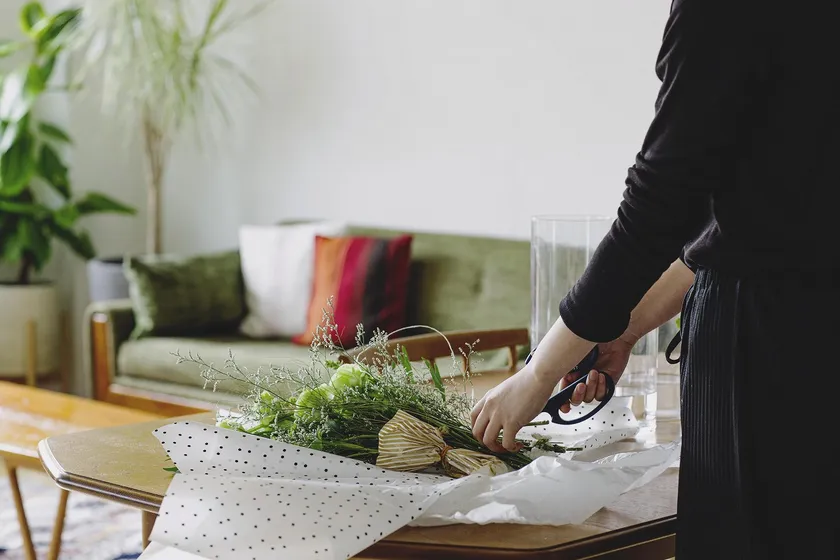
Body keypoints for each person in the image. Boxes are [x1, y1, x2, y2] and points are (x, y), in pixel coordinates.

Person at [470, 0, 839, 558]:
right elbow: (753, 219)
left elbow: (661, 202)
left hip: (772, 345)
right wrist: (621, 329)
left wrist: (539, 372)